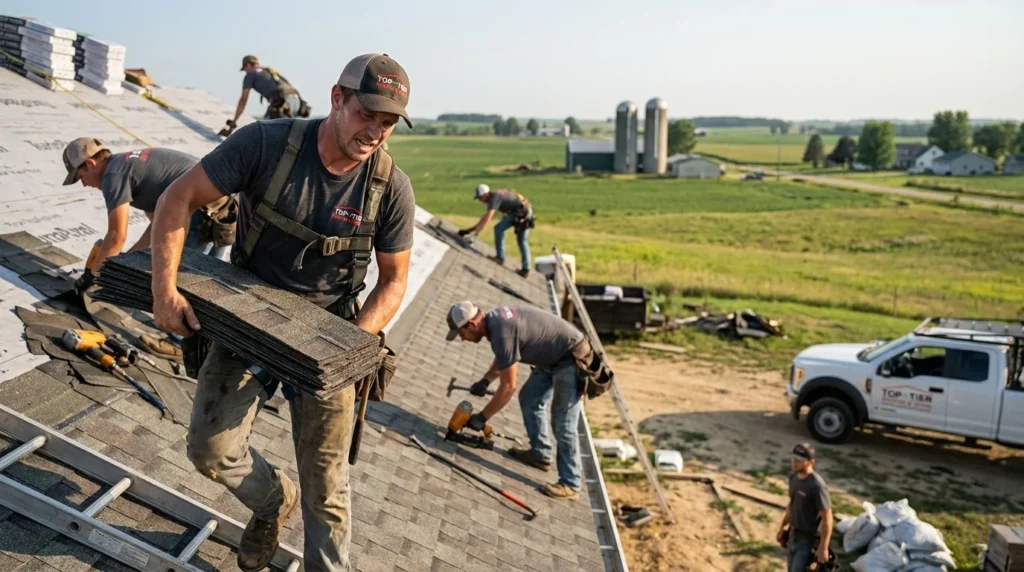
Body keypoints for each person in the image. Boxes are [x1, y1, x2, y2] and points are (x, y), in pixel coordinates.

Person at [149, 53, 415, 572]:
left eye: (387, 124)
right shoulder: (267, 144)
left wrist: (347, 346)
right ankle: (273, 503)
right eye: (367, 115)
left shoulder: (389, 188)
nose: (375, 132)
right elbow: (178, 198)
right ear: (337, 99)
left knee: (328, 488)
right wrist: (165, 292)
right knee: (210, 449)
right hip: (249, 315)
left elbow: (395, 281)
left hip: (331, 329)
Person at [445, 300, 588, 500]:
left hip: (571, 359)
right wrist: (486, 380)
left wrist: (482, 417)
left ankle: (571, 483)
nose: (462, 339)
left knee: (562, 422)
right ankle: (540, 454)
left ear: (473, 325)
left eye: (462, 333)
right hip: (552, 358)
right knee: (530, 398)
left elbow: (508, 387)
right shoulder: (495, 322)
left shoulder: (502, 332)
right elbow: (506, 355)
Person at [60, 138, 235, 294]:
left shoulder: (113, 176)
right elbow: (157, 229)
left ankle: (181, 327)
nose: (84, 184)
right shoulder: (132, 169)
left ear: (90, 163)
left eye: (81, 177)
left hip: (203, 212)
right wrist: (126, 262)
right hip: (221, 205)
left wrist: (92, 277)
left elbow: (116, 237)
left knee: (185, 282)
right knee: (209, 284)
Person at [777, 443, 834, 571]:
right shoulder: (793, 478)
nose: (794, 463)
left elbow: (827, 517)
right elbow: (792, 505)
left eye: (798, 461)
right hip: (793, 535)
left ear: (810, 462)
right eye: (793, 459)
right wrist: (783, 527)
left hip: (806, 540)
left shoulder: (816, 485)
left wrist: (823, 548)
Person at [457, 184, 534, 278]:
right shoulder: (495, 197)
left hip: (521, 214)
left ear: (485, 195)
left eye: (480, 198)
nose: (480, 201)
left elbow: (488, 218)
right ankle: (525, 269)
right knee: (522, 241)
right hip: (524, 211)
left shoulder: (494, 199)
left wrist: (476, 234)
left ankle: (500, 258)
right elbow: (485, 217)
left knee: (500, 230)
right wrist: (469, 230)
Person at [223, 55, 309, 135]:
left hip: (282, 102)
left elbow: (243, 99)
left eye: (244, 68)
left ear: (248, 65)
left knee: (267, 132)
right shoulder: (269, 70)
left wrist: (234, 121)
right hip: (297, 101)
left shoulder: (250, 74)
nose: (245, 71)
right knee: (290, 134)